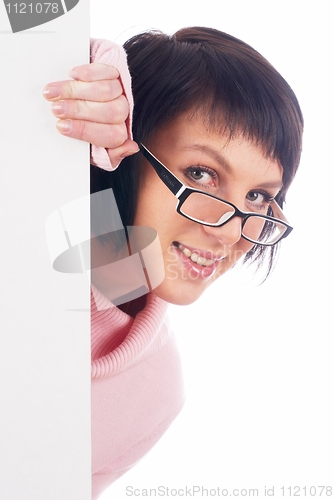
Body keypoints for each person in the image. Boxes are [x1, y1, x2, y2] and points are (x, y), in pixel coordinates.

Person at [43, 27, 303, 499]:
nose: (228, 231)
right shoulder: (28, 230)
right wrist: (80, 63)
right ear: (125, 146)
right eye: (201, 174)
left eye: (259, 196)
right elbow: (19, 21)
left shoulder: (154, 393)